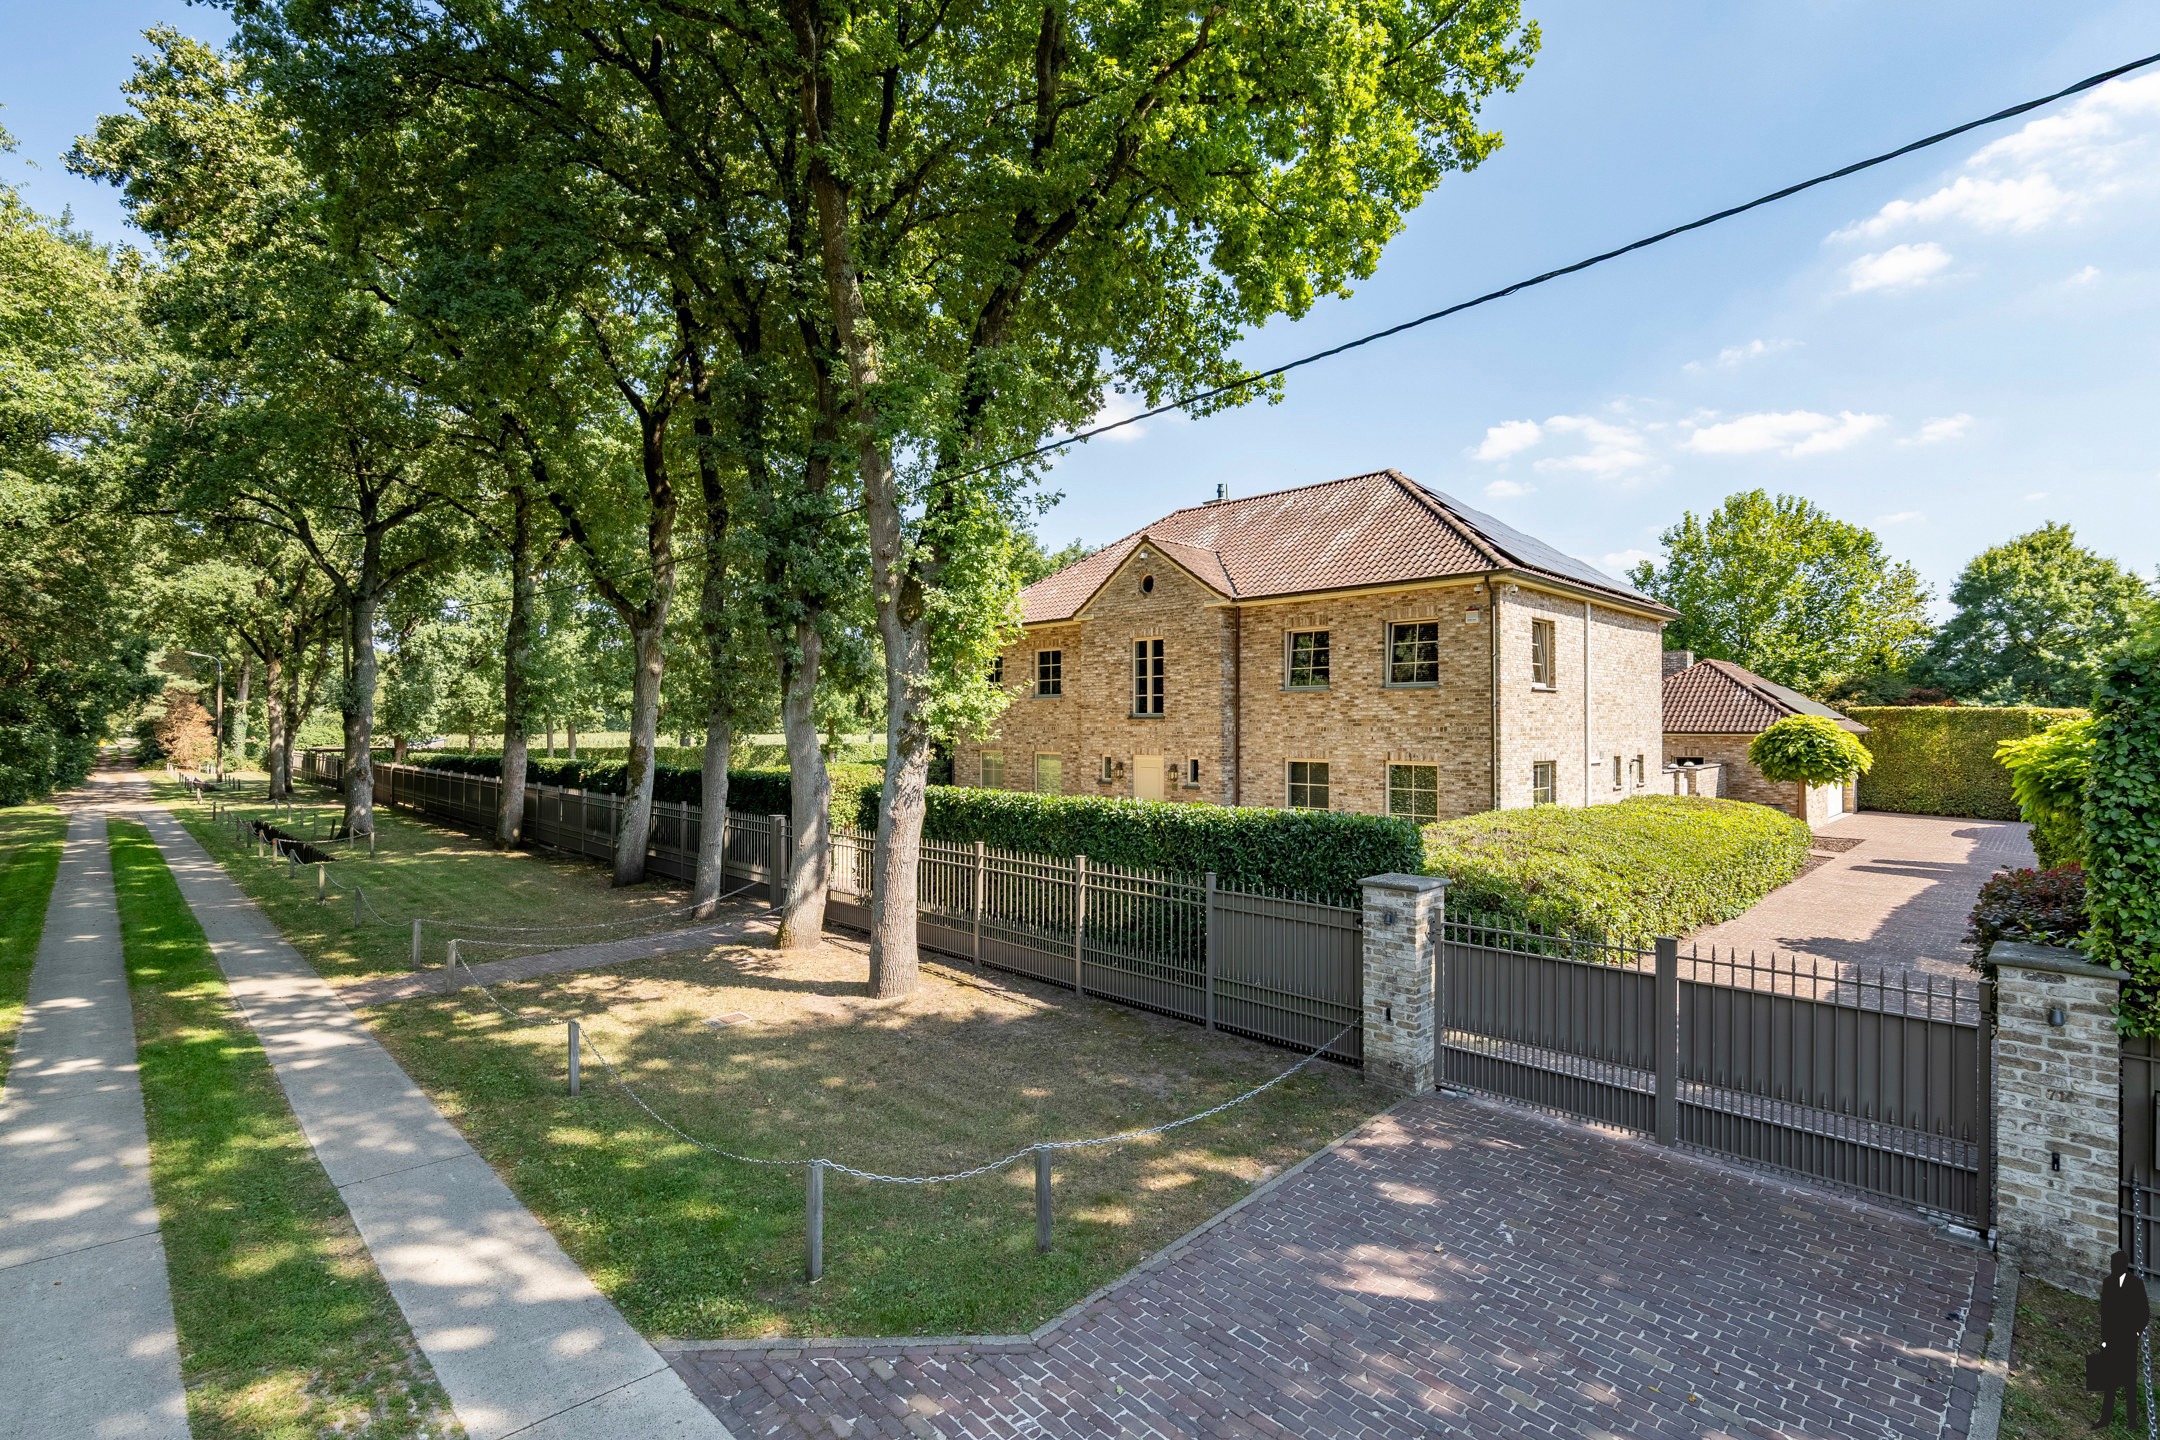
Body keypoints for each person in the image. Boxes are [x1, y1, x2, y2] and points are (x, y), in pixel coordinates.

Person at [2092, 1250, 2152, 1429]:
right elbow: (2106, 1313)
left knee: (2129, 1380)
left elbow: (2144, 1312)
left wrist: (2136, 1333)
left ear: (2124, 1265)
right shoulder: (2108, 1282)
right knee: (2109, 1379)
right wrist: (2104, 1338)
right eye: (2112, 1264)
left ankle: (2131, 1420)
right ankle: (2105, 1418)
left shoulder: (2135, 1284)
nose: (2114, 1267)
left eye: (2117, 1264)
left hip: (2128, 1338)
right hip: (2112, 1337)